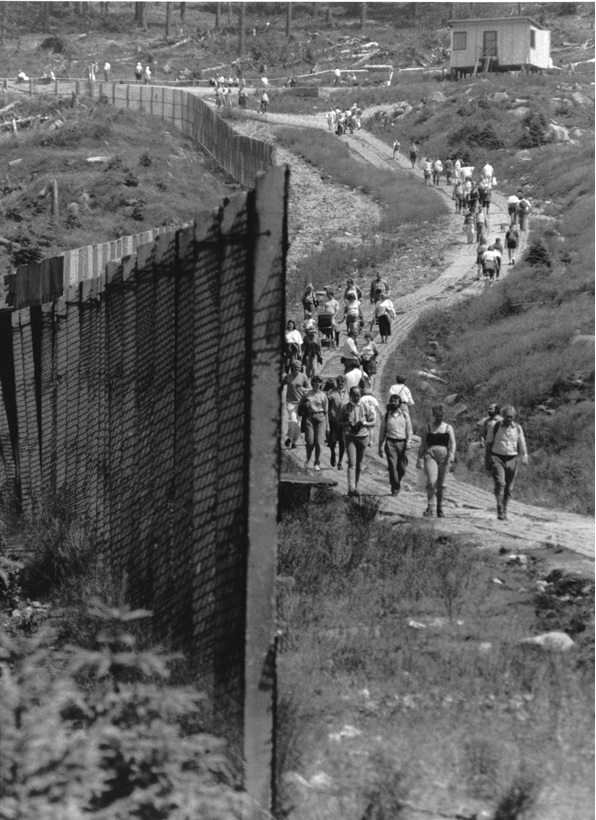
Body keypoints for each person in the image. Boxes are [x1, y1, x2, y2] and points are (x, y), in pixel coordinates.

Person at [485, 405, 528, 521]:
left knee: (509, 487)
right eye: (507, 417)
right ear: (503, 416)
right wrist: (487, 460)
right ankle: (499, 508)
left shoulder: (517, 428)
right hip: (497, 457)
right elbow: (488, 444)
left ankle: (505, 509)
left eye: (511, 417)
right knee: (500, 483)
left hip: (512, 458)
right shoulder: (496, 426)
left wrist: (524, 455)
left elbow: (521, 442)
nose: (509, 419)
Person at [417, 404, 456, 518]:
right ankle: (430, 507)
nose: (440, 418)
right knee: (431, 481)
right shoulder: (427, 428)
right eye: (438, 415)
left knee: (442, 484)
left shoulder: (448, 428)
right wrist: (419, 459)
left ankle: (440, 508)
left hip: (444, 456)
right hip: (430, 455)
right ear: (434, 415)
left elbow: (453, 443)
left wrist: (452, 455)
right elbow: (423, 444)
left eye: (442, 415)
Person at [337, 386, 376, 496]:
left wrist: (364, 423)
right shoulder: (345, 408)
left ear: (361, 395)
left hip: (363, 437)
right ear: (350, 395)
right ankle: (351, 489)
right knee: (351, 463)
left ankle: (357, 486)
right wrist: (347, 423)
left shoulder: (366, 407)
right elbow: (339, 423)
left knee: (359, 464)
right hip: (350, 437)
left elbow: (373, 422)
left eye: (358, 395)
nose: (356, 398)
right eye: (354, 395)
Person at [378, 394, 412, 495]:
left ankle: (397, 481)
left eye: (395, 401)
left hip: (402, 442)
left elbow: (409, 430)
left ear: (399, 403)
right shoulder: (386, 416)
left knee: (402, 468)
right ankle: (395, 487)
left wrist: (409, 442)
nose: (393, 403)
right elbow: (382, 432)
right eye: (392, 401)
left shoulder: (405, 415)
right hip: (390, 443)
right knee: (392, 467)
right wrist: (380, 447)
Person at [301, 375, 329, 472]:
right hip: (310, 417)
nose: (317, 384)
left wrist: (328, 426)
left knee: (319, 443)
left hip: (321, 418)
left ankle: (317, 463)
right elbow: (301, 404)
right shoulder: (307, 394)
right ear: (312, 383)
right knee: (310, 441)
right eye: (315, 382)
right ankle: (308, 457)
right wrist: (305, 405)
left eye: (319, 382)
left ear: (321, 384)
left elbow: (326, 412)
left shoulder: (323, 396)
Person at [283, 361, 310, 448]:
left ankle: (294, 442)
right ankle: (289, 439)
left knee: (298, 425)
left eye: (299, 368)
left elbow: (309, 388)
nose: (297, 369)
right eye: (295, 368)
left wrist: (303, 389)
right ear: (292, 368)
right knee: (293, 420)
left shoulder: (303, 377)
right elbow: (281, 385)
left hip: (300, 404)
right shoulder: (288, 377)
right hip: (290, 402)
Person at [327, 375, 347, 469]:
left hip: (343, 421)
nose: (340, 383)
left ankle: (340, 462)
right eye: (338, 381)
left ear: (344, 382)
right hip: (333, 420)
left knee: (342, 442)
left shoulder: (348, 393)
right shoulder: (332, 391)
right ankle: (333, 453)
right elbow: (327, 400)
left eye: (342, 381)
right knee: (332, 441)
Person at [360, 383, 381, 447]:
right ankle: (370, 441)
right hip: (372, 413)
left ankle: (364, 440)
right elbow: (377, 407)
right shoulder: (373, 398)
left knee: (364, 427)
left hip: (364, 413)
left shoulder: (362, 398)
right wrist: (381, 414)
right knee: (371, 428)